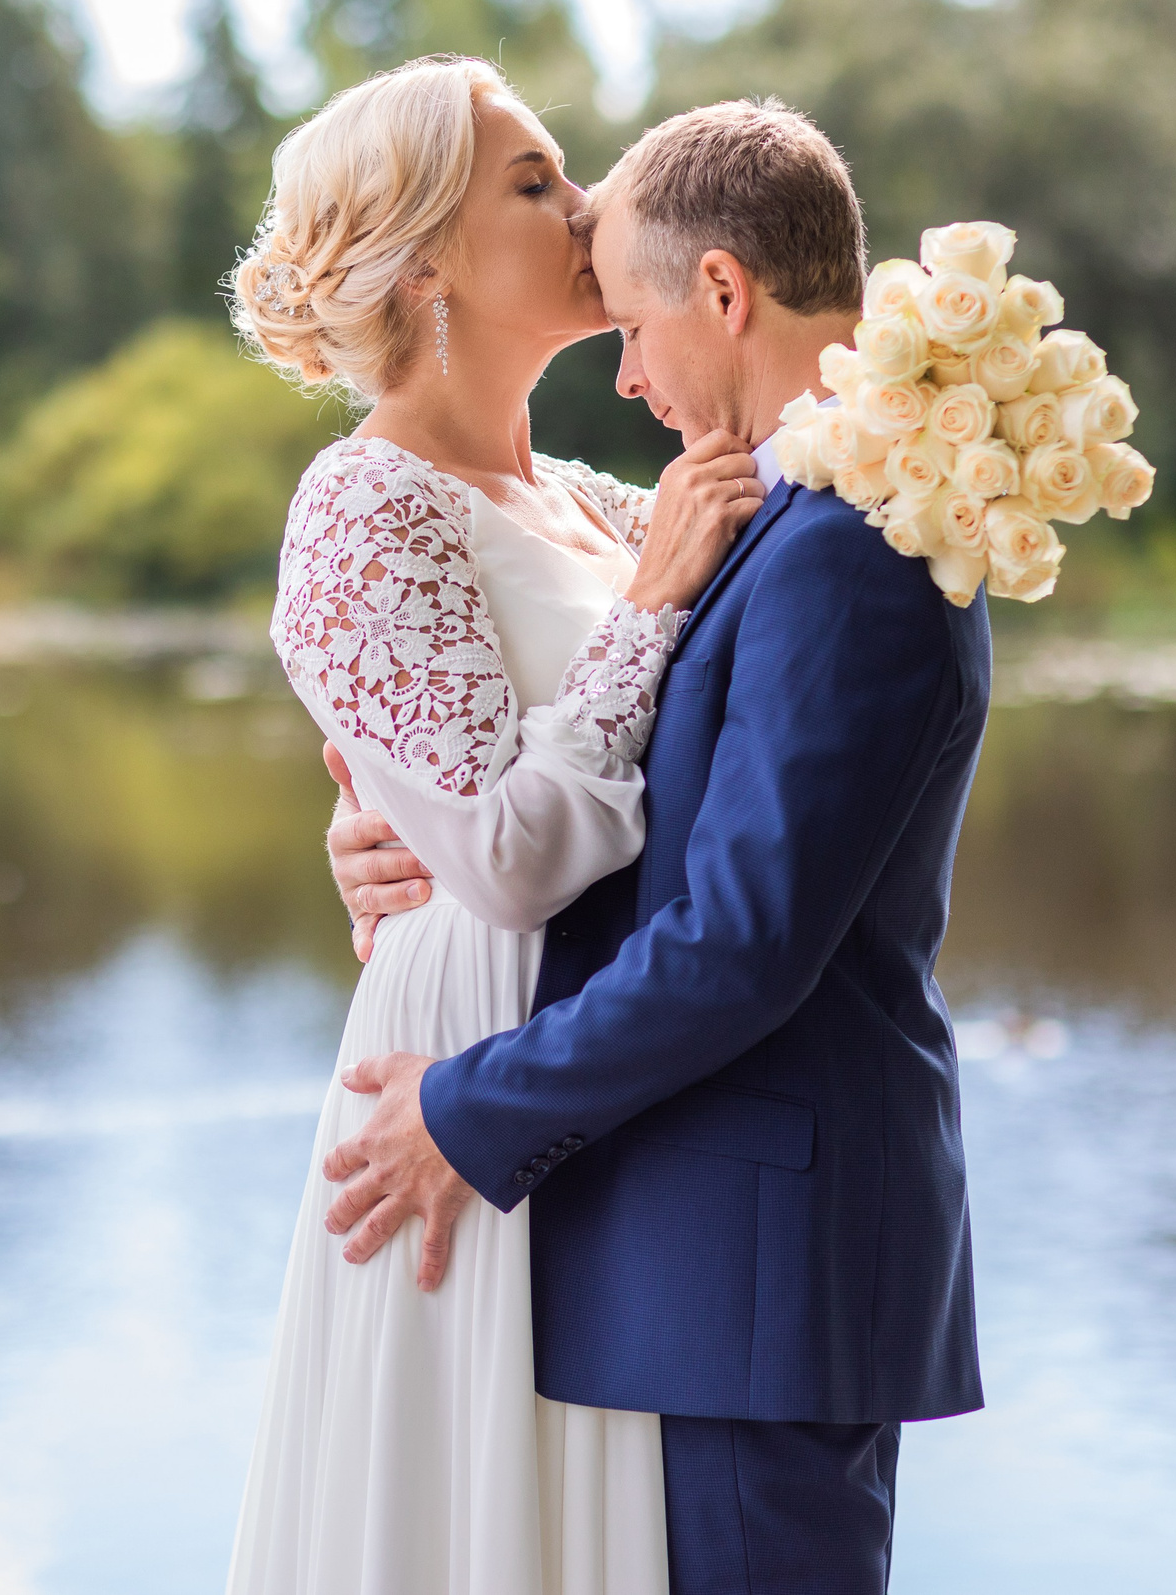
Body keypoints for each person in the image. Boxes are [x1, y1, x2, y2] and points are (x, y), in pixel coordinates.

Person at [319, 99, 992, 1594]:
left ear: (725, 296)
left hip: (753, 1265)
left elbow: (740, 939)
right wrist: (389, 818)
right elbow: (544, 752)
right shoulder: (766, 510)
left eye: (636, 323)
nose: (625, 372)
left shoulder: (846, 546)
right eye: (535, 183)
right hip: (688, 1245)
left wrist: (466, 1112)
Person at [224, 57, 764, 1594]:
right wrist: (654, 600)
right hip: (462, 1056)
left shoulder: (597, 499)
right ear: (426, 255)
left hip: (597, 1048)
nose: (588, 205)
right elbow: (508, 852)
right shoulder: (359, 503)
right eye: (533, 184)